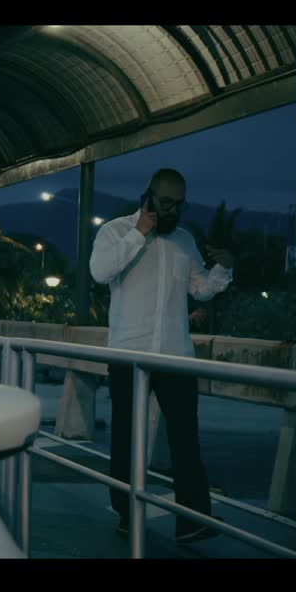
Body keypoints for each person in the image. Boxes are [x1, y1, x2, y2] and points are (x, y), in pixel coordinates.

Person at [89, 167, 233, 544]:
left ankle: (194, 520)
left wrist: (224, 268)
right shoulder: (115, 231)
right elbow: (99, 271)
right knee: (126, 440)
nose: (172, 211)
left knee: (185, 437)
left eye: (179, 205)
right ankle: (126, 513)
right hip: (128, 353)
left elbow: (199, 289)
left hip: (174, 355)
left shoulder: (184, 241)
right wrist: (140, 233)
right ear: (148, 196)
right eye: (166, 202)